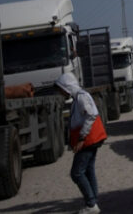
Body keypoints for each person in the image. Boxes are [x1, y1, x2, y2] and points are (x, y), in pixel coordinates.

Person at [55, 72, 107, 214]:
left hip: (89, 139)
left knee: (76, 173)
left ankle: (91, 204)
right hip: (91, 139)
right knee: (88, 170)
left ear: (67, 87)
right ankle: (93, 201)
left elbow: (91, 115)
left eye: (61, 89)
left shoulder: (81, 96)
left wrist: (82, 138)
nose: (61, 92)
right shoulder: (78, 96)